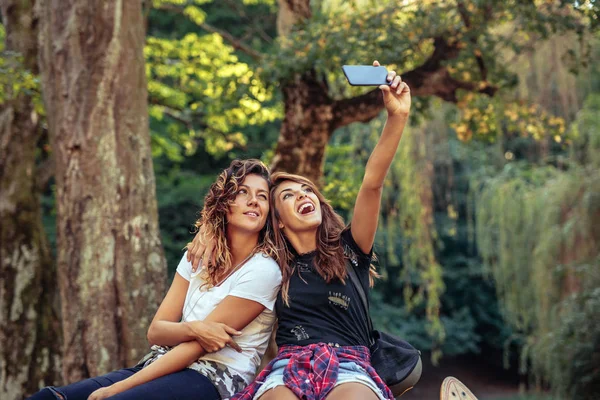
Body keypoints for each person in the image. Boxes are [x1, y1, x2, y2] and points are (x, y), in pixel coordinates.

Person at [188, 61, 417, 400]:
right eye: (288, 195)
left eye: (307, 191)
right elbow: (231, 230)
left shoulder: (351, 250)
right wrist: (205, 234)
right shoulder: (269, 263)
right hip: (287, 368)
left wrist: (397, 117)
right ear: (277, 220)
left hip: (349, 364)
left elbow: (372, 184)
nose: (303, 196)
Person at [28, 159, 282, 400]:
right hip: (160, 362)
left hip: (215, 377)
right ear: (225, 202)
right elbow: (157, 331)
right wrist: (193, 328)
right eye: (242, 192)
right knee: (49, 397)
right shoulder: (197, 256)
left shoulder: (263, 271)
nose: (253, 201)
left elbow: (197, 348)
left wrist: (117, 388)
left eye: (262, 196)